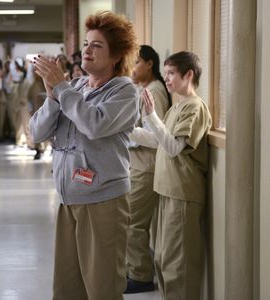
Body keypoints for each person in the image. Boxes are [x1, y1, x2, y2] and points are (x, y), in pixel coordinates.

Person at [30, 11, 139, 300]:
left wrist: (63, 89)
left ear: (115, 56)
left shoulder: (125, 92)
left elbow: (94, 124)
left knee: (102, 288)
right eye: (86, 44)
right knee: (68, 289)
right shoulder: (76, 87)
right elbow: (37, 133)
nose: (86, 51)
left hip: (103, 201)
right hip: (69, 198)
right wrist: (53, 96)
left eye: (97, 46)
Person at [130, 51, 212, 299]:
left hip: (182, 192)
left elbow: (175, 147)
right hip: (166, 189)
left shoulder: (195, 108)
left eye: (171, 74)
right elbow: (158, 140)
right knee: (164, 258)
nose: (166, 79)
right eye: (165, 74)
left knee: (179, 263)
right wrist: (127, 130)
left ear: (189, 75)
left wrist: (151, 116)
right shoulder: (177, 106)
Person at [124, 45, 171, 294]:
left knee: (133, 222)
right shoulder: (143, 89)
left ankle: (140, 275)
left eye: (137, 63)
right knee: (131, 221)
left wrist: (126, 129)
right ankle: (134, 268)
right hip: (138, 165)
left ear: (150, 64)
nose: (133, 69)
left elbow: (156, 138)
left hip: (148, 167)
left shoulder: (155, 91)